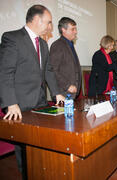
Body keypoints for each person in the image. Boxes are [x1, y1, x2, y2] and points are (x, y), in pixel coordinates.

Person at [0, 4, 65, 179]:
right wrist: (10, 103)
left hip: (40, 101)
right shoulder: (12, 38)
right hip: (19, 105)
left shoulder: (43, 44)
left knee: (42, 142)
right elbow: (4, 72)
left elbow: (48, 71)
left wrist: (57, 93)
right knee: (25, 148)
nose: (50, 27)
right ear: (36, 20)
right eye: (49, 22)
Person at [50, 17, 82, 99]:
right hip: (63, 94)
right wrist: (67, 86)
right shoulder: (57, 45)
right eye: (73, 29)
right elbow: (53, 70)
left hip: (72, 94)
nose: (76, 32)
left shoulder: (70, 44)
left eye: (75, 29)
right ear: (63, 30)